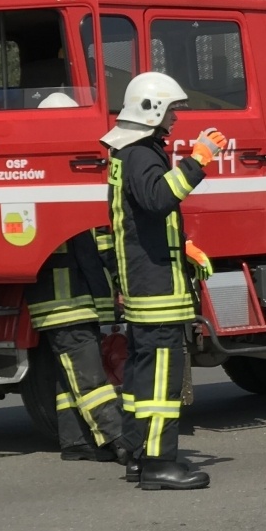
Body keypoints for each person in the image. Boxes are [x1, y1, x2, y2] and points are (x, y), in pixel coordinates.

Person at [102, 72, 226, 491]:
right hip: (156, 288)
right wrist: (200, 159)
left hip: (144, 280)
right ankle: (159, 464)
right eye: (172, 109)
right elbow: (159, 198)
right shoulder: (140, 154)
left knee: (141, 377)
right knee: (161, 379)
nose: (176, 118)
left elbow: (141, 220)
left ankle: (138, 456)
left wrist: (182, 248)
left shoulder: (128, 152)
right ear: (152, 110)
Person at [25, 227, 128, 466]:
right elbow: (106, 245)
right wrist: (122, 282)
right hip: (70, 306)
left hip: (67, 303)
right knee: (91, 379)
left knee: (69, 378)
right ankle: (118, 437)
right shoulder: (78, 201)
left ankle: (76, 441)